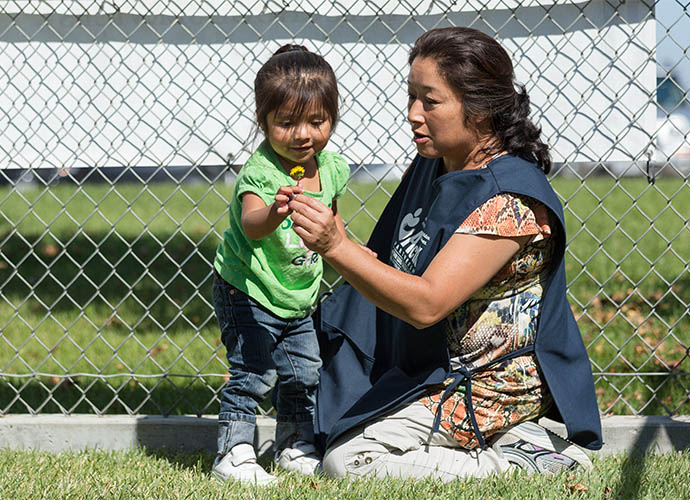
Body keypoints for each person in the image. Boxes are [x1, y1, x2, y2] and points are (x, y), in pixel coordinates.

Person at [288, 27, 602, 481]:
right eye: (411, 97)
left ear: (479, 107)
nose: (413, 114)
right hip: (431, 369)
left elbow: (427, 303)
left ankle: (524, 460)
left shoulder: (509, 199)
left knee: (350, 461)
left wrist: (336, 246)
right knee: (330, 413)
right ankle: (512, 444)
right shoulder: (435, 165)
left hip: (490, 387)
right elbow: (391, 261)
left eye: (430, 102)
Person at [211, 44, 350, 486]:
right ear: (264, 122)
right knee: (254, 372)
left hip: (296, 295)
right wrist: (276, 211)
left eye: (316, 121)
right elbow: (252, 224)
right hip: (248, 291)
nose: (302, 134)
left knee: (304, 372)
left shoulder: (329, 167)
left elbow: (333, 218)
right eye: (286, 123)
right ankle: (233, 454)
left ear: (332, 118)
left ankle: (294, 444)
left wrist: (347, 248)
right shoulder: (262, 174)